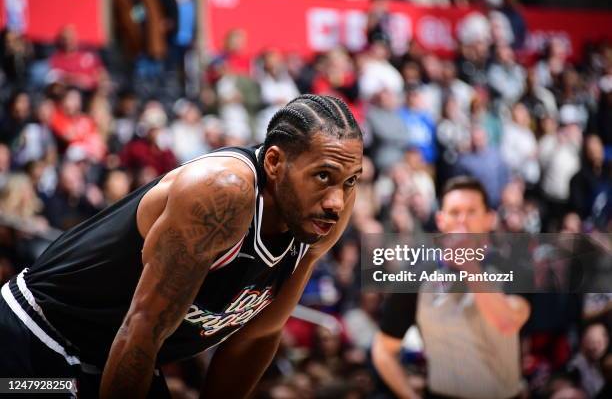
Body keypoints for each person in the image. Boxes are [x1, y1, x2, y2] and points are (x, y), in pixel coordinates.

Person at [0, 94, 364, 398]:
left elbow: (256, 337)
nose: (337, 201)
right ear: (274, 162)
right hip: (37, 338)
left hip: (118, 353)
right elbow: (142, 328)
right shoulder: (223, 191)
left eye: (350, 181)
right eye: (323, 176)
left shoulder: (321, 215)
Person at [371, 176, 530, 399]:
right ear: (441, 220)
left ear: (489, 218)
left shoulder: (513, 266)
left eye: (472, 211)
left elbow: (507, 322)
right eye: (455, 212)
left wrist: (469, 265)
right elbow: (383, 350)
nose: (462, 220)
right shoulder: (416, 275)